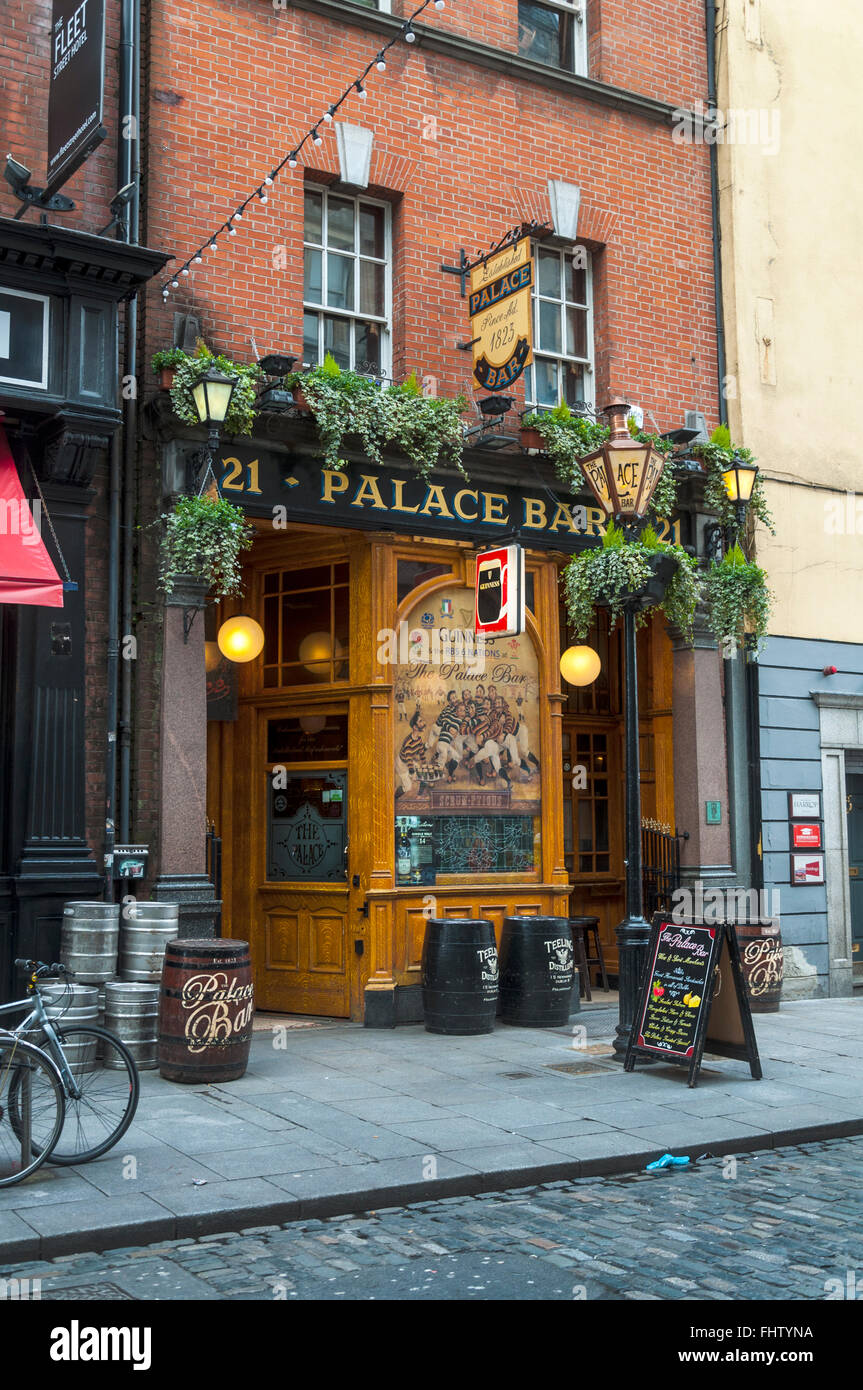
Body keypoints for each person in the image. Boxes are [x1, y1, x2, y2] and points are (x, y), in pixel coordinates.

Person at [395, 712, 432, 798]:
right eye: (420, 721)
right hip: (402, 765)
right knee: (407, 787)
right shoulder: (408, 743)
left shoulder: (418, 739)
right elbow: (409, 761)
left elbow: (421, 753)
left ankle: (419, 795)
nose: (423, 723)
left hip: (410, 762)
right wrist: (412, 774)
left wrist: (424, 765)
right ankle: (393, 798)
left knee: (423, 774)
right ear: (415, 727)